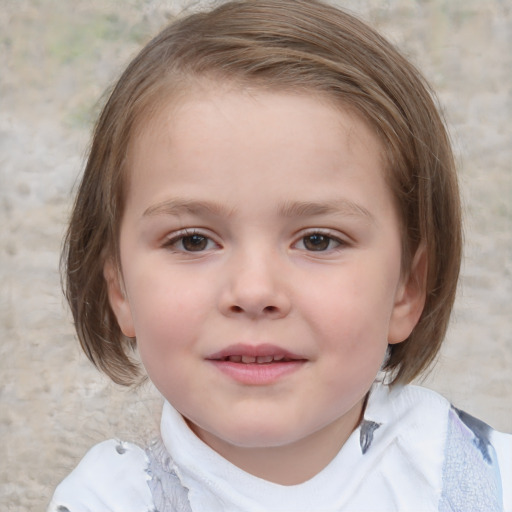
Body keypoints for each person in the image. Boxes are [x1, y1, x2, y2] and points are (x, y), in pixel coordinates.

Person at [47, 1, 511, 510]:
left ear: (407, 287)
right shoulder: (104, 501)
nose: (253, 291)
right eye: (193, 240)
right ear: (119, 288)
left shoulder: (484, 483)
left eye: (318, 240)